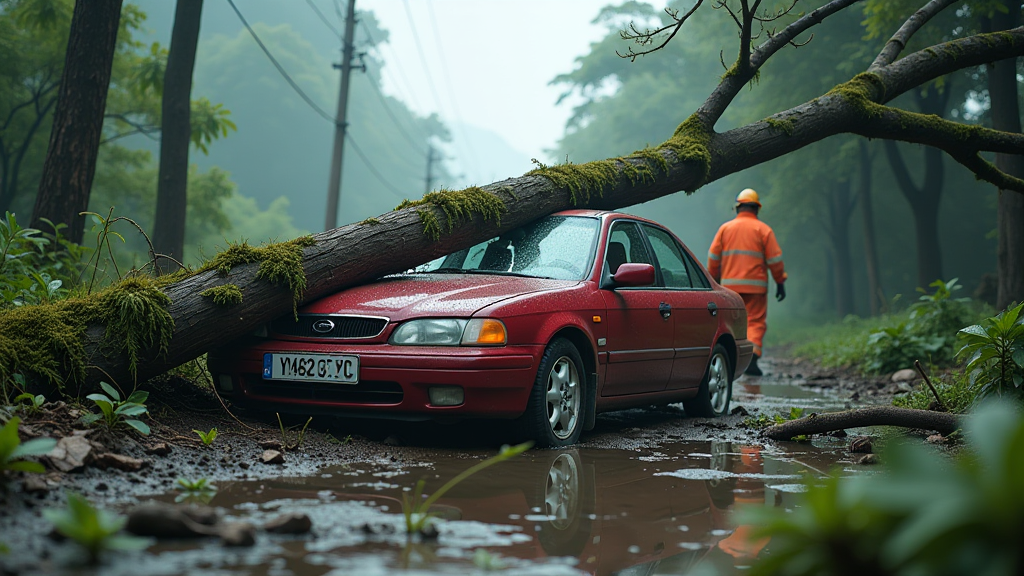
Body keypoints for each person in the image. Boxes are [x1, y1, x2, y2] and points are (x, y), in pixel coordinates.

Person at [707, 188, 786, 376]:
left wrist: (714, 281)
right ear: (756, 209)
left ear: (737, 209)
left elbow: (713, 258)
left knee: (731, 324)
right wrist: (780, 281)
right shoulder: (764, 230)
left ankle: (733, 359)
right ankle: (753, 358)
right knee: (755, 322)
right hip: (756, 288)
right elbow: (775, 260)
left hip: (730, 289)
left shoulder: (725, 229)